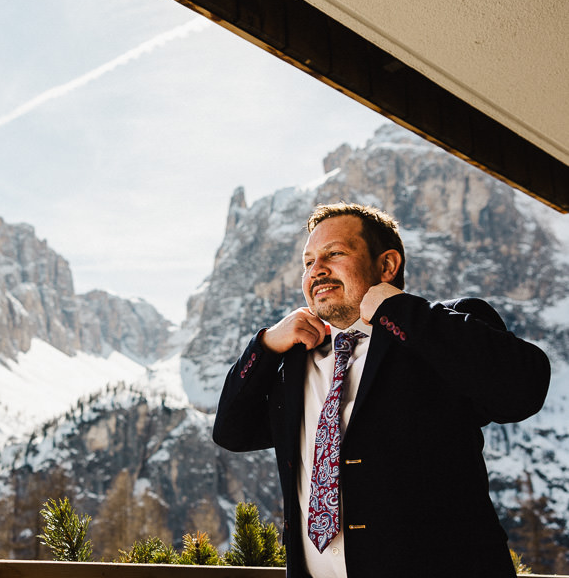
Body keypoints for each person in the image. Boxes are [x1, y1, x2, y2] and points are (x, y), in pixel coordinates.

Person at [212, 202, 550, 578]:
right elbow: (231, 431)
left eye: (334, 253)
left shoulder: (435, 334)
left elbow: (522, 390)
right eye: (308, 262)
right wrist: (264, 345)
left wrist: (400, 310)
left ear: (387, 265)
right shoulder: (294, 361)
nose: (316, 270)